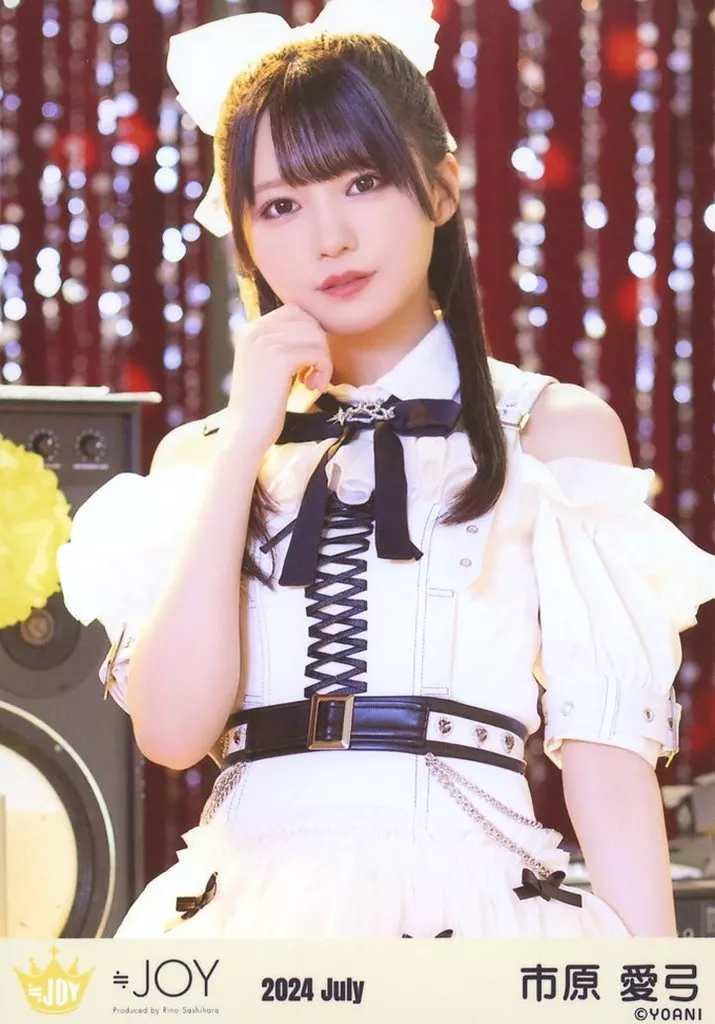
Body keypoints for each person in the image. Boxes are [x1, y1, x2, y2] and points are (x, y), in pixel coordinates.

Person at [57, 1, 715, 940]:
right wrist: (244, 440)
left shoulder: (552, 432)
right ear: (243, 236)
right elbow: (169, 733)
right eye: (280, 205)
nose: (327, 237)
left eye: (362, 182)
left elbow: (606, 758)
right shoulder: (202, 457)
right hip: (246, 916)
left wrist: (655, 992)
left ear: (439, 188)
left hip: (479, 908)